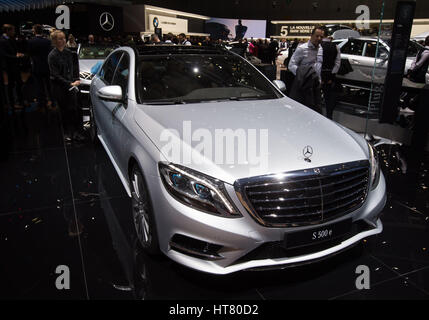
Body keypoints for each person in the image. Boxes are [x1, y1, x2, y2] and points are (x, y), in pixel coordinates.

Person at [48, 30, 84, 142]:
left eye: (64, 38)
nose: (63, 40)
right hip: (60, 87)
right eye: (60, 38)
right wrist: (69, 83)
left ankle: (76, 132)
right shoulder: (52, 55)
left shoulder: (69, 53)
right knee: (64, 111)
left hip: (71, 86)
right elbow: (55, 75)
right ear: (54, 41)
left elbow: (74, 69)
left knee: (74, 110)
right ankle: (66, 133)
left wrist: (76, 79)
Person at [288, 27, 324, 113]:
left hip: (316, 86)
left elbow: (319, 66)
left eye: (321, 37)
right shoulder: (302, 48)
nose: (319, 38)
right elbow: (291, 65)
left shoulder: (321, 49)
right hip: (304, 85)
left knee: (316, 112)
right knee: (302, 111)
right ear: (311, 36)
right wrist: (303, 75)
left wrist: (319, 80)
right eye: (317, 36)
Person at [27, 24, 53, 112]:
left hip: (36, 66)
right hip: (47, 66)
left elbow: (29, 54)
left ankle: (41, 103)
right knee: (49, 85)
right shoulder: (47, 41)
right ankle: (52, 102)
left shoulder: (31, 41)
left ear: (34, 31)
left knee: (39, 86)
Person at [0, 24, 24, 112]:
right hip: (9, 66)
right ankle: (13, 103)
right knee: (11, 86)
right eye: (13, 31)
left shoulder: (9, 39)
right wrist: (16, 56)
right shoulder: (2, 40)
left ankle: (19, 101)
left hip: (14, 65)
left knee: (18, 83)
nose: (14, 32)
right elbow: (4, 55)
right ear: (7, 31)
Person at [320, 33, 341, 119]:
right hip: (329, 75)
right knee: (328, 99)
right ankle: (329, 117)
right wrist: (331, 76)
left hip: (318, 74)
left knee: (315, 99)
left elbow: (315, 62)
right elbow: (337, 63)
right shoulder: (336, 46)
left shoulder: (318, 45)